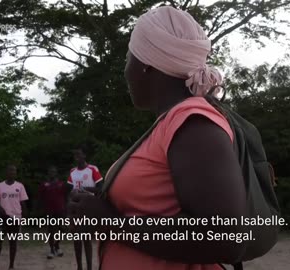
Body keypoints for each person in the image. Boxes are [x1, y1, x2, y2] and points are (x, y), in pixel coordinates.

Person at [68, 6, 247, 270]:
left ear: (146, 66)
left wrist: (111, 223)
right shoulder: (170, 123)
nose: (125, 70)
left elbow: (225, 237)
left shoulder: (194, 123)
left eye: (129, 57)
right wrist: (106, 199)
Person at [68, 145, 103, 270]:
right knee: (76, 239)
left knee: (86, 239)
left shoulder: (92, 169)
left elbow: (100, 189)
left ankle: (89, 266)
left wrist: (84, 190)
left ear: (84, 155)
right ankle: (79, 266)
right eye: (75, 155)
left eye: (79, 154)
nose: (76, 157)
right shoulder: (72, 172)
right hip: (76, 208)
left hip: (89, 208)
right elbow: (70, 191)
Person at [0, 165, 28, 270]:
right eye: (10, 171)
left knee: (13, 242)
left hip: (15, 217)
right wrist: (0, 208)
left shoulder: (20, 186)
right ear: (6, 172)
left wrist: (24, 216)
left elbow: (23, 202)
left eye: (14, 171)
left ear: (16, 173)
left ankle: (11, 265)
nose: (12, 173)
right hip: (3, 217)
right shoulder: (0, 186)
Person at [38, 165, 70, 258]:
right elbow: (40, 198)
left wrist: (67, 209)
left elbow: (66, 197)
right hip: (49, 211)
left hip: (60, 210)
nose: (52, 173)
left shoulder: (61, 184)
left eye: (54, 171)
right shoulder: (44, 184)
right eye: (50, 171)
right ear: (48, 173)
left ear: (56, 173)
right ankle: (52, 250)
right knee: (51, 230)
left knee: (64, 229)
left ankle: (57, 244)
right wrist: (40, 209)